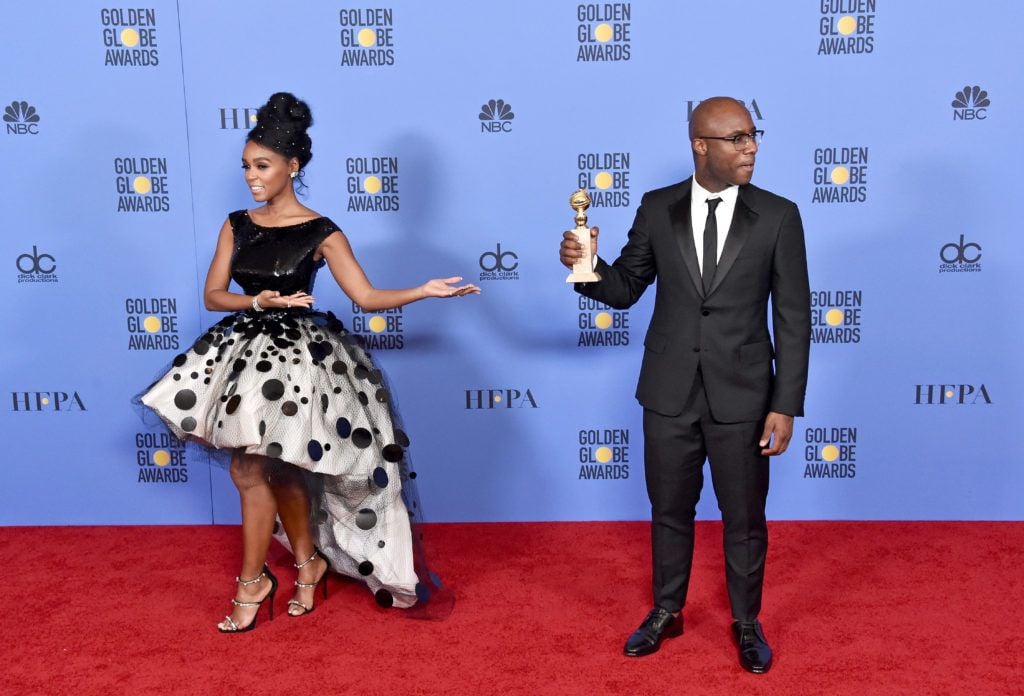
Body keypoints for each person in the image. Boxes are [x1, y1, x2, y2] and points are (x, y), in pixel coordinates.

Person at [141, 92, 478, 633]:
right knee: (255, 467)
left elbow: (365, 297)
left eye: (263, 166)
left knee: (278, 467)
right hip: (246, 357)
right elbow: (213, 295)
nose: (252, 176)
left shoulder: (322, 231)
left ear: (292, 166)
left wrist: (424, 290)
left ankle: (270, 580)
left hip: (301, 366)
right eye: (247, 166)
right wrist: (260, 301)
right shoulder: (236, 224)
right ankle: (297, 568)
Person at [559, 97, 810, 673]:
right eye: (738, 138)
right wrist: (584, 264)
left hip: (744, 397)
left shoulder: (778, 215)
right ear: (701, 145)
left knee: (745, 518)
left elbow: (794, 318)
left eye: (754, 136)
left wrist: (785, 404)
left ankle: (747, 622)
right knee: (669, 510)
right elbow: (624, 289)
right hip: (669, 391)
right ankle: (667, 610)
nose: (752, 147)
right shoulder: (657, 207)